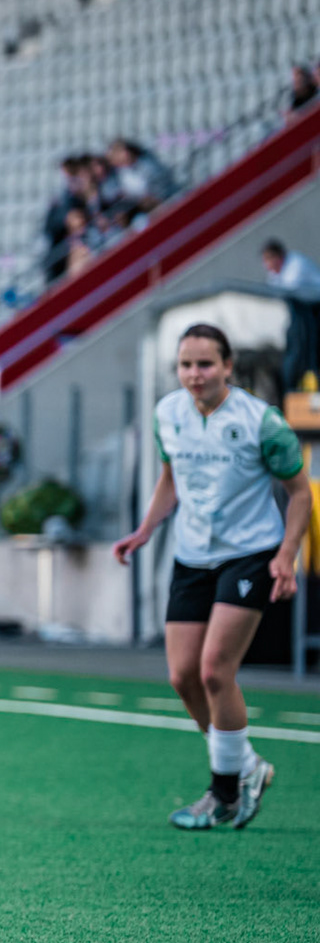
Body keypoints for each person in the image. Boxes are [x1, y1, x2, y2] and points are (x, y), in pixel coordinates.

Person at [113, 323, 309, 830]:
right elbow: (169, 481)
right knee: (182, 677)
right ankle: (245, 766)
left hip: (248, 554)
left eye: (205, 364)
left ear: (227, 367)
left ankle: (223, 795)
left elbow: (301, 493)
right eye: (185, 364)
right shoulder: (167, 414)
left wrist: (286, 556)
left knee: (214, 670)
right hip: (191, 555)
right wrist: (144, 530)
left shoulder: (262, 422)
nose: (194, 374)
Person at [263, 238, 320, 393]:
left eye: (269, 260)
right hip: (300, 312)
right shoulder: (276, 272)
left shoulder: (296, 263)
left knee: (310, 351)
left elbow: (289, 289)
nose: (267, 266)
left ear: (279, 256)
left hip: (313, 310)